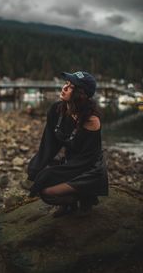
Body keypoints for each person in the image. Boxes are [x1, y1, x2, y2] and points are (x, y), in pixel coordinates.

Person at [27, 71, 108, 217]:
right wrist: (35, 168)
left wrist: (53, 173)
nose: (64, 88)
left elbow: (88, 159)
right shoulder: (56, 110)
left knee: (47, 192)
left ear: (81, 94)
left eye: (70, 87)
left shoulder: (91, 120)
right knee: (40, 178)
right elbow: (49, 144)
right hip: (70, 161)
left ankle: (85, 197)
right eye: (66, 84)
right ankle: (68, 204)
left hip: (89, 168)